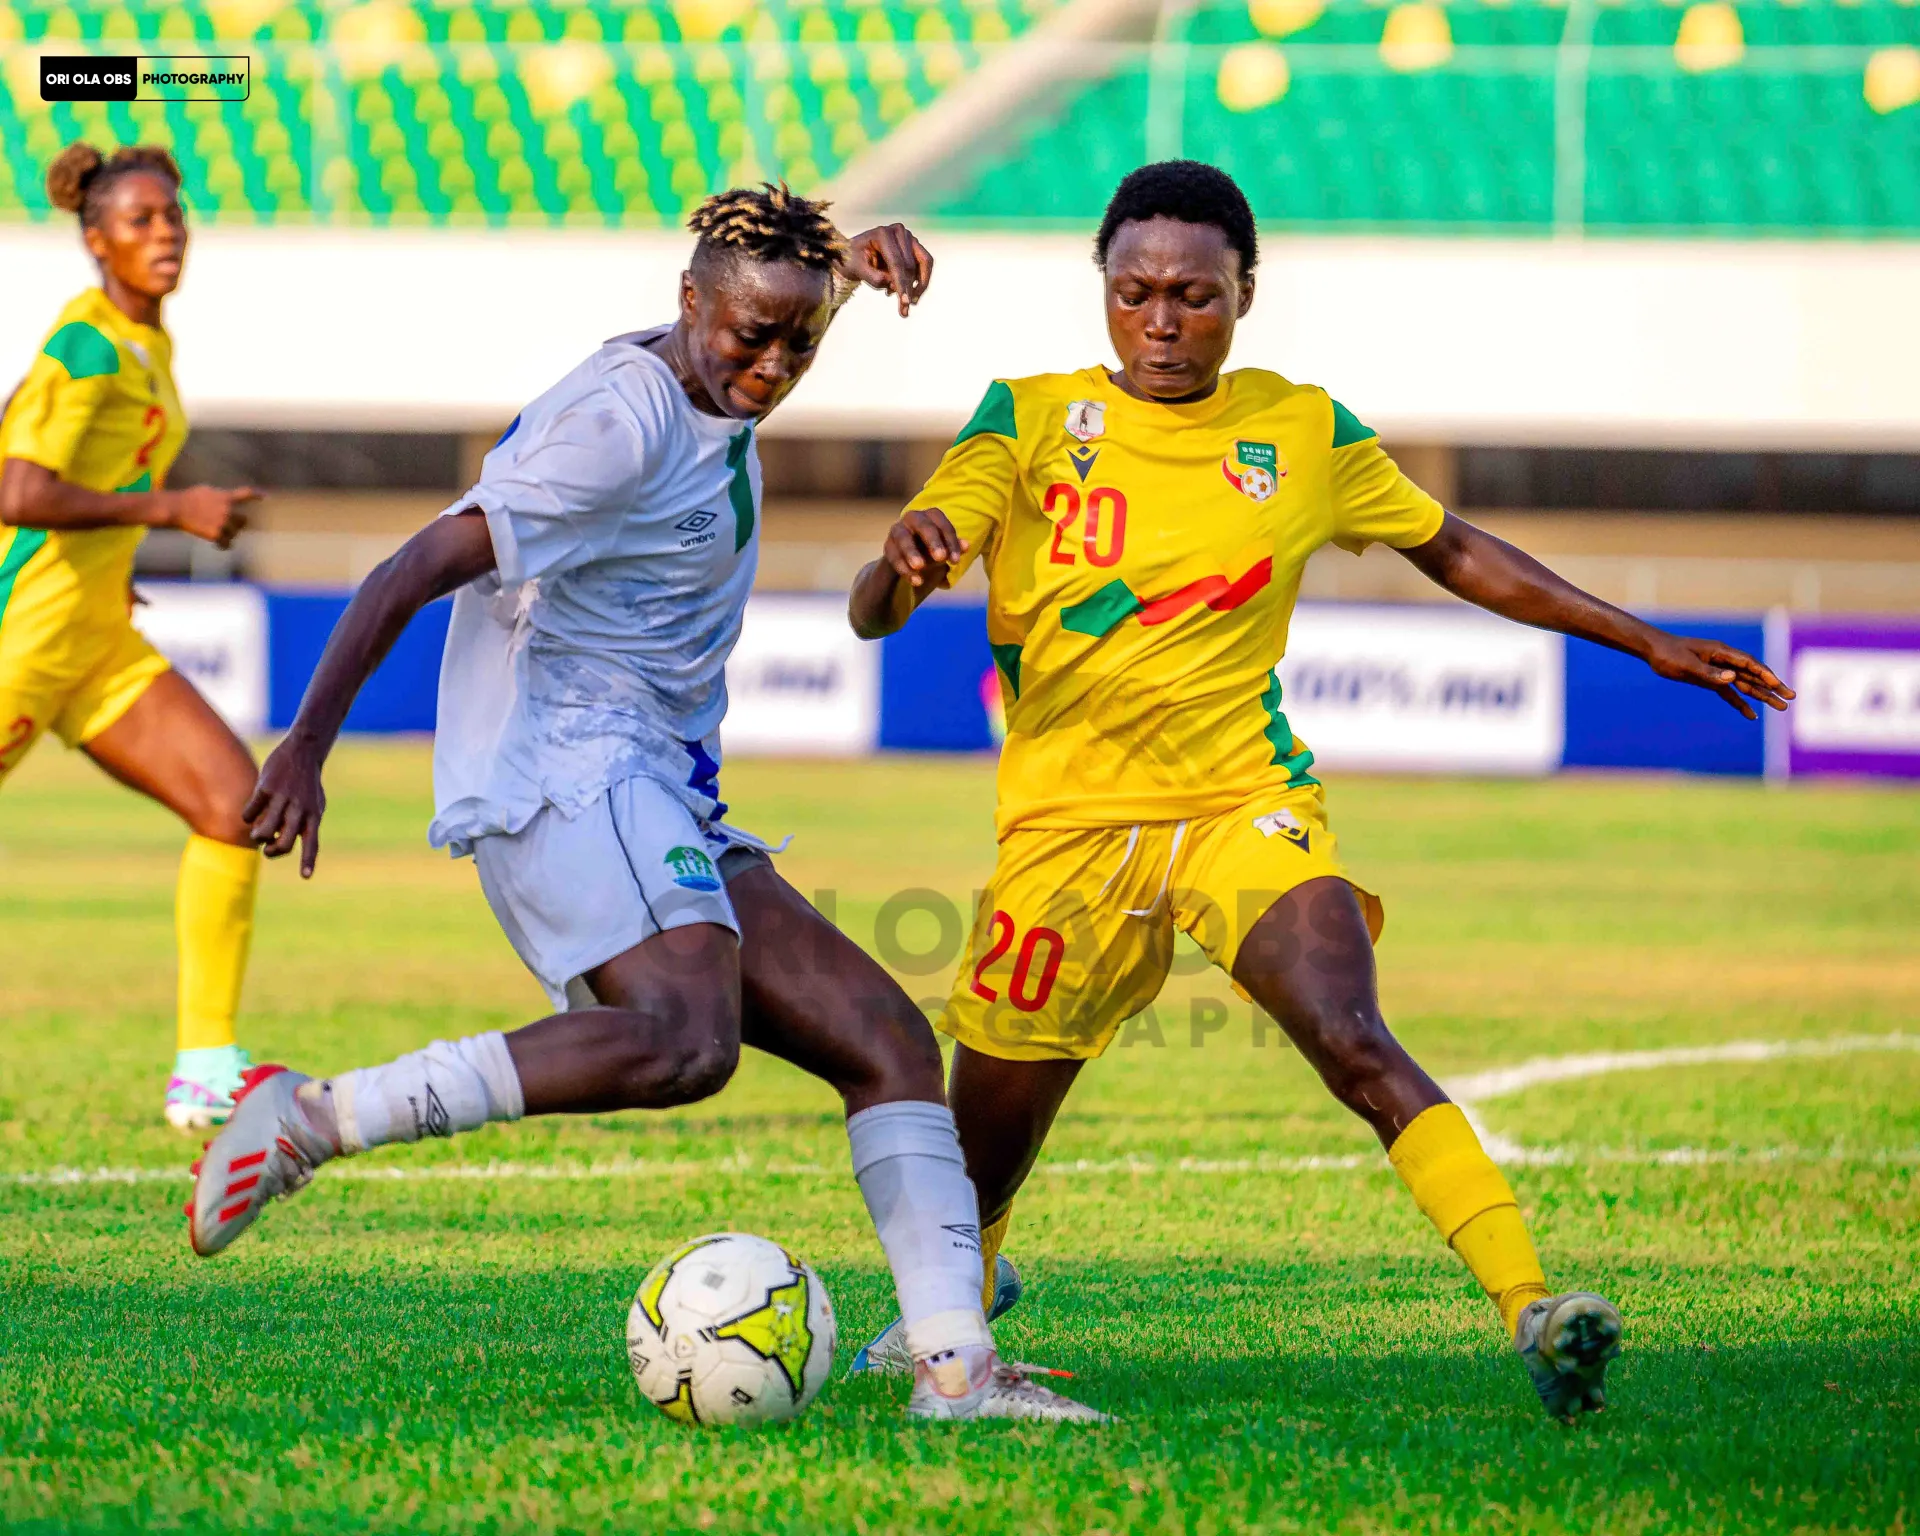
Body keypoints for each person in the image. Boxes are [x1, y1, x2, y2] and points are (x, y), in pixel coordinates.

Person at [844, 160, 1794, 1420]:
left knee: (1352, 1035)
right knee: (983, 1150)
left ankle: (1534, 1309)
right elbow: (878, 605)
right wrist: (896, 570)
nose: (1163, 320)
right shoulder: (1023, 417)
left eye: (1194, 293)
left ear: (1245, 293)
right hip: (1063, 837)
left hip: (1246, 803)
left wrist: (1646, 638)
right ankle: (955, 1308)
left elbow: (1452, 547)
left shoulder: (1300, 430)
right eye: (1135, 294)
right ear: (1104, 292)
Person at [186, 185, 1103, 1424]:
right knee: (686, 1042)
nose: (772, 366)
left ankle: (955, 1369)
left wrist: (842, 252)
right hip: (574, 766)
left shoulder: (711, 350)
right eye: (749, 337)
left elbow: (764, 278)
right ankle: (310, 1120)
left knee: (887, 1043)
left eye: (801, 341)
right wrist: (304, 747)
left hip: (659, 780)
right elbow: (411, 565)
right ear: (687, 306)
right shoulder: (610, 433)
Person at [0, 143, 263, 1130]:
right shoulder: (88, 344)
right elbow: (17, 489)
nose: (165, 234)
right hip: (21, 642)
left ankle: (206, 1069)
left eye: (174, 217)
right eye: (142, 220)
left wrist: (109, 565)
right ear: (95, 238)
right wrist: (170, 510)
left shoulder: (145, 342)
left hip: (93, 638)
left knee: (235, 806)